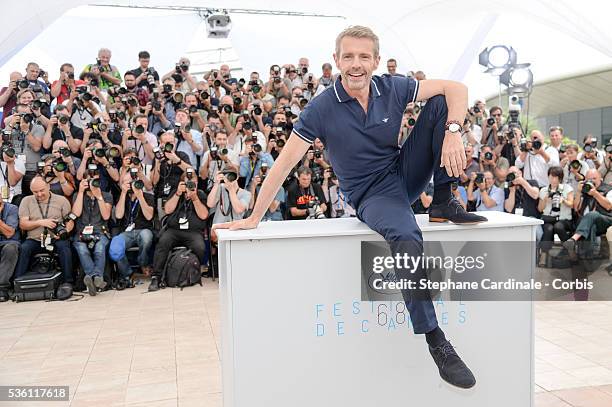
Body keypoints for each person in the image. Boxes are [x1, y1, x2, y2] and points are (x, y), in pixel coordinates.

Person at [215, 25, 484, 389]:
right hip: (372, 194)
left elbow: (457, 88)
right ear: (336, 60)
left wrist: (453, 131)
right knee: (406, 233)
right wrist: (254, 216)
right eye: (348, 56)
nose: (356, 64)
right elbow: (283, 164)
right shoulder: (321, 108)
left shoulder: (392, 86)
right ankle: (436, 340)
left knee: (440, 104)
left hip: (403, 171)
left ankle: (442, 201)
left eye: (363, 56)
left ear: (375, 60)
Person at [148, 171, 208, 292]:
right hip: (174, 230)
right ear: (182, 183)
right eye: (187, 183)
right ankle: (156, 276)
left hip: (193, 232)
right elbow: (168, 210)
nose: (190, 185)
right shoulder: (176, 192)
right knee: (163, 242)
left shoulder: (200, 194)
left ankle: (193, 269)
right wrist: (177, 193)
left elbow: (204, 215)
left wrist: (195, 198)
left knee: (200, 247)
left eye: (193, 183)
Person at [15, 177, 74, 284]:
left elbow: (70, 221)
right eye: (35, 192)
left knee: (64, 247)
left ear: (48, 186)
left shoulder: (62, 200)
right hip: (34, 239)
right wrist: (41, 222)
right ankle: (18, 283)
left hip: (55, 238)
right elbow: (23, 224)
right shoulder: (26, 201)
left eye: (42, 190)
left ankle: (68, 282)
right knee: (24, 249)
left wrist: (65, 231)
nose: (39, 194)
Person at [71, 168, 113, 296]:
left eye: (93, 180)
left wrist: (99, 196)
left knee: (99, 248)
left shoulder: (106, 195)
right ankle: (97, 278)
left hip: (100, 231)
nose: (91, 183)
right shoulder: (78, 195)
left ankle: (91, 277)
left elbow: (106, 216)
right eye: (88, 180)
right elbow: (76, 213)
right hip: (82, 232)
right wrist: (80, 192)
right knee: (82, 249)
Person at [114, 172, 155, 282]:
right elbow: (118, 215)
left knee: (146, 237)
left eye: (133, 182)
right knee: (115, 245)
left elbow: (149, 216)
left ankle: (143, 263)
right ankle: (127, 272)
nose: (132, 185)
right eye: (128, 183)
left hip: (144, 229)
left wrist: (140, 196)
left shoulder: (148, 196)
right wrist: (123, 193)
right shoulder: (122, 197)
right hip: (126, 232)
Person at [564, 169, 612, 260]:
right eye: (589, 179)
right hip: (588, 222)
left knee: (592, 214)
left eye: (594, 178)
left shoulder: (608, 189)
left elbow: (609, 206)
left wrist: (595, 194)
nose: (592, 181)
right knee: (591, 225)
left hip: (606, 220)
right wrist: (578, 192)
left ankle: (573, 239)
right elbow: (576, 208)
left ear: (600, 179)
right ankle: (588, 259)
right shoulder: (584, 189)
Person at [537, 166, 574, 253]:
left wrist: (563, 201)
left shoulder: (567, 188)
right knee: (548, 229)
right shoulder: (544, 190)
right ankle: (544, 254)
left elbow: (572, 205)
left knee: (558, 226)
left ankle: (570, 251)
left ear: (560, 178)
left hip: (563, 219)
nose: (553, 179)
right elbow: (539, 209)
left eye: (556, 177)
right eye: (551, 176)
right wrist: (545, 200)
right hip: (548, 218)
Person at [0, 199, 20, 302]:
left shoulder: (12, 209)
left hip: (7, 243)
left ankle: (2, 288)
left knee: (10, 249)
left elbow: (9, 233)